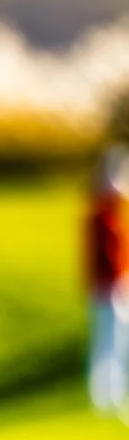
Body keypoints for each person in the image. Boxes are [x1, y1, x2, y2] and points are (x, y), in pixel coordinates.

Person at [86, 147, 129, 416]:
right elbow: (105, 256)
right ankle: (104, 399)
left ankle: (114, 395)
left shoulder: (115, 216)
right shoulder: (101, 216)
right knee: (107, 343)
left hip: (117, 286)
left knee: (118, 343)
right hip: (107, 288)